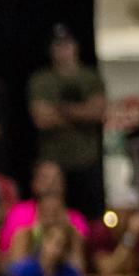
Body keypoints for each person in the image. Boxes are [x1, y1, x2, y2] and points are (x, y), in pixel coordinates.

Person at [27, 25, 108, 220]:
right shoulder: (41, 80)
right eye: (57, 44)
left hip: (87, 162)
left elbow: (98, 112)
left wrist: (62, 111)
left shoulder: (90, 77)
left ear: (76, 46)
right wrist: (82, 115)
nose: (62, 49)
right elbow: (41, 118)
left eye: (67, 43)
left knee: (92, 220)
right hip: (54, 164)